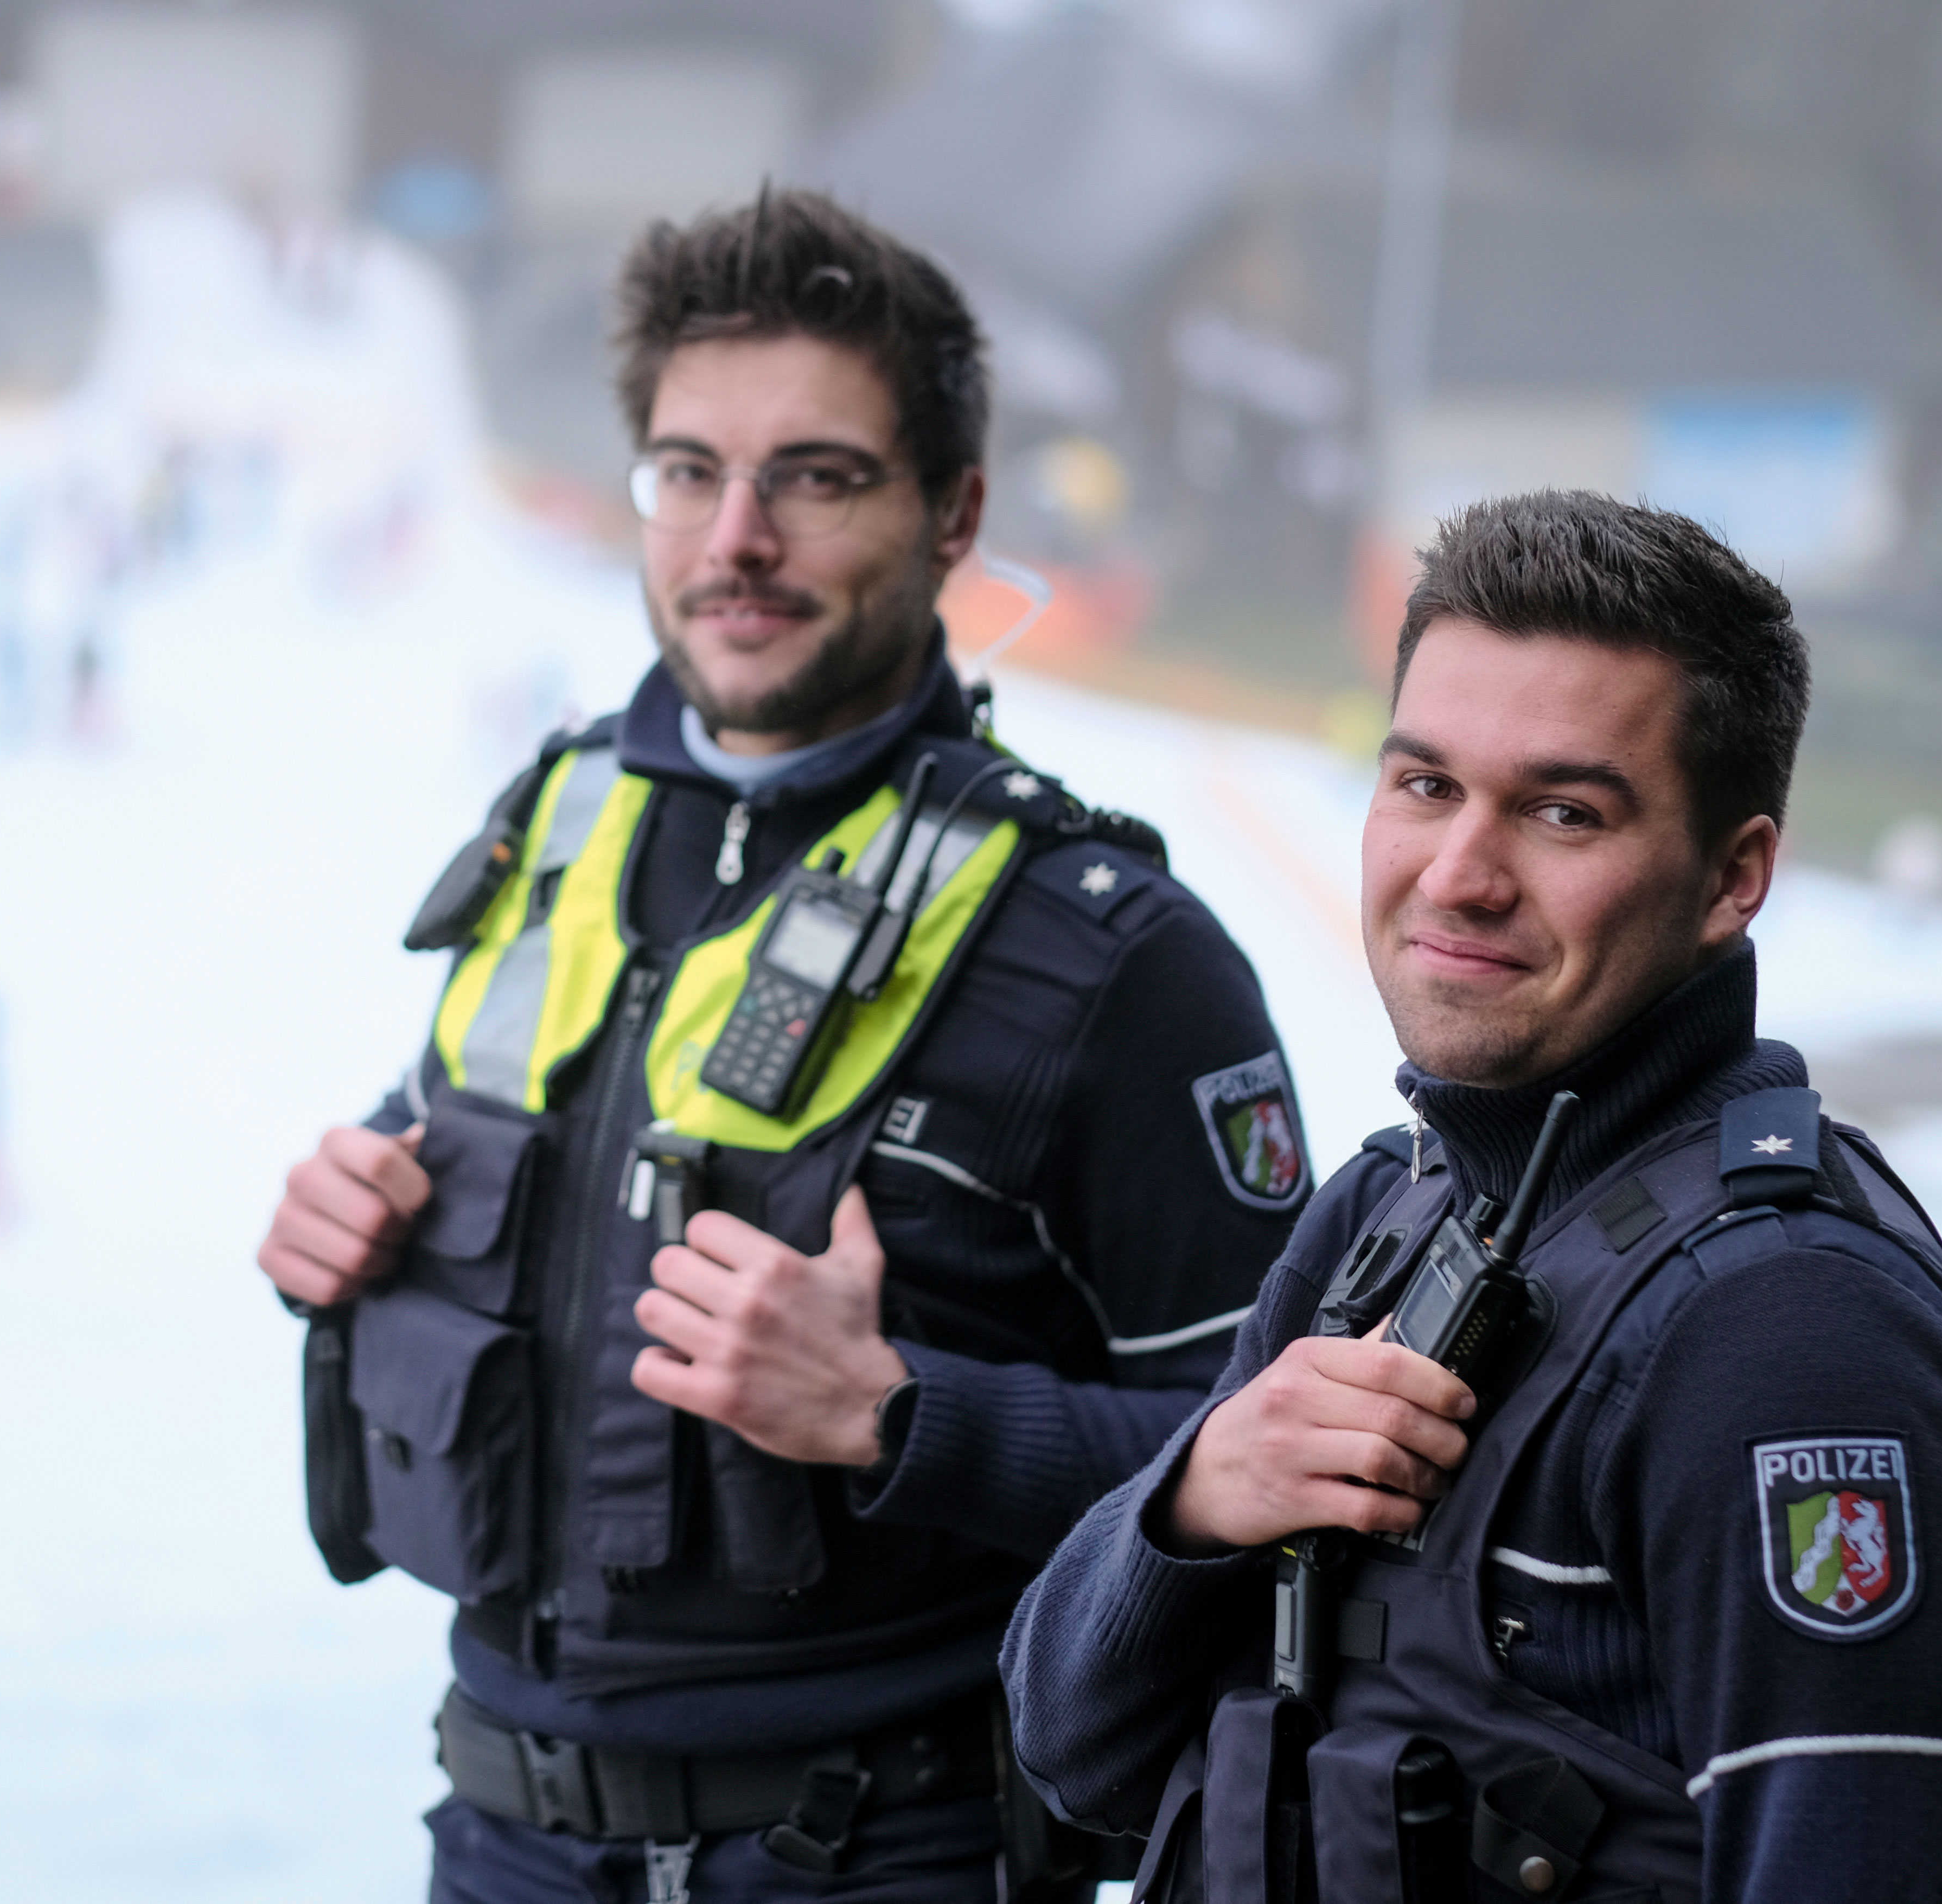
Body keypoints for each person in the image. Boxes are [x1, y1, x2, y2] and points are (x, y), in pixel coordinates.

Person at [255, 189, 1313, 1904]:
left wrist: (909, 1414)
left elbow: (1299, 1464)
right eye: (687, 471)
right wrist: (348, 1222)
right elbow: (504, 1190)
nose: (733, 535)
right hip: (497, 1837)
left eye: (815, 477)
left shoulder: (1115, 955)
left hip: (885, 1853)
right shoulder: (554, 835)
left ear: (954, 511)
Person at [1002, 492, 1942, 1902]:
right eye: (1426, 784)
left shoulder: (1796, 1328)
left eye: (1561, 811)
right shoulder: (1395, 1203)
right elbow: (1073, 1745)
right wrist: (1195, 1498)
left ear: (1735, 874)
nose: (1461, 874)